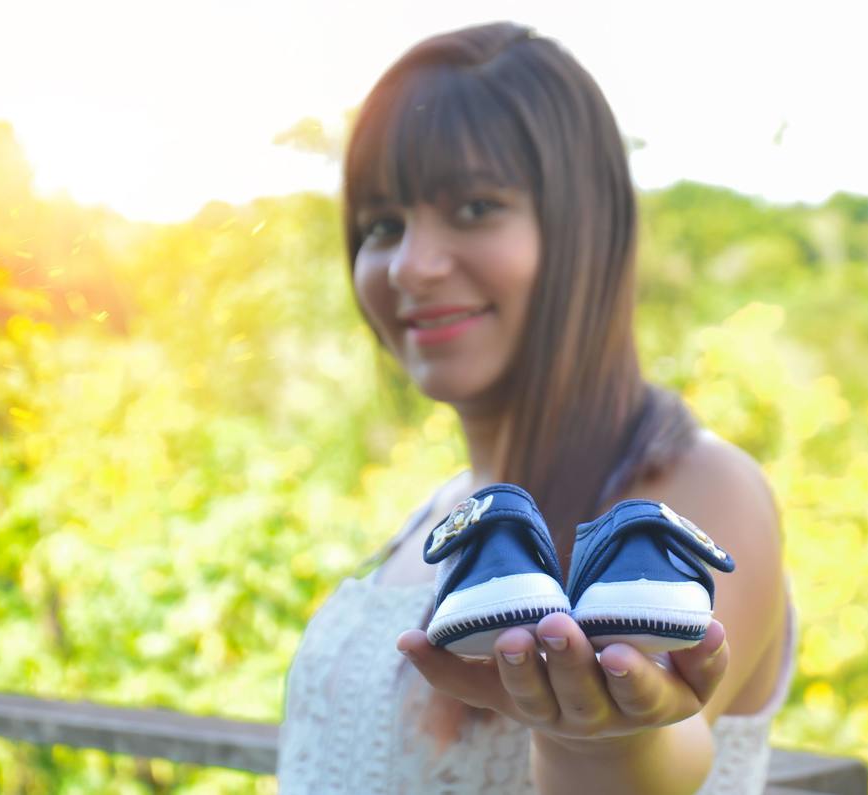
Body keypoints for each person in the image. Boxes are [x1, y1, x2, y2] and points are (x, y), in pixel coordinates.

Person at [277, 21, 795, 795]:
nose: (412, 265)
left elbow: (665, 750)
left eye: (476, 207)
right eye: (383, 225)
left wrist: (599, 738)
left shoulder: (695, 496)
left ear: (583, 230)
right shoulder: (444, 513)